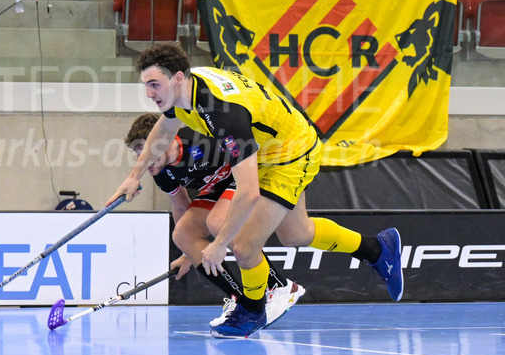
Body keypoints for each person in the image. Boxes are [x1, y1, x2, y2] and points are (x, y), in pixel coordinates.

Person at [114, 44, 404, 338]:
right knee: (297, 234)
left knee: (243, 246)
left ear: (177, 78)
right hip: (268, 149)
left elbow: (249, 192)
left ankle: (251, 311)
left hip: (292, 154)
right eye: (146, 86)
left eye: (154, 85)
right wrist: (133, 176)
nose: (149, 94)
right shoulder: (187, 87)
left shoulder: (222, 113)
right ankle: (377, 249)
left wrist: (218, 244)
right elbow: (164, 127)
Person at [124, 113, 305, 329]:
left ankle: (280, 286)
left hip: (243, 178)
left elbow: (248, 150)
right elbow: (181, 205)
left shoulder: (199, 137)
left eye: (145, 150)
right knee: (182, 234)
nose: (142, 160)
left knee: (217, 222)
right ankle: (241, 302)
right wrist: (188, 254)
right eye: (137, 153)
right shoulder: (160, 171)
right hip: (215, 190)